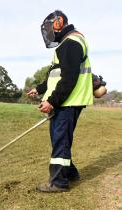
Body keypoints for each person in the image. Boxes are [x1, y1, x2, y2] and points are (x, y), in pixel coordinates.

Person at [27, 10, 93, 192]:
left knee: (60, 140)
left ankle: (58, 183)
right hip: (65, 101)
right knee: (60, 139)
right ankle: (70, 173)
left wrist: (53, 101)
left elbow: (69, 78)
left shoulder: (71, 43)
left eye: (50, 28)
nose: (49, 33)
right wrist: (40, 89)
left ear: (59, 22)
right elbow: (56, 73)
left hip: (67, 102)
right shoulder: (67, 43)